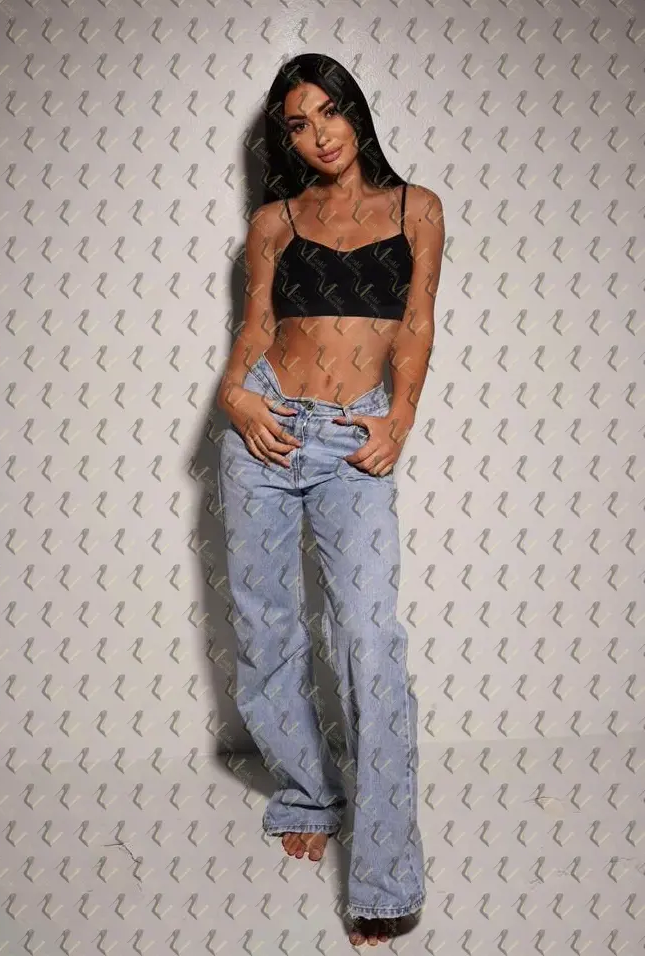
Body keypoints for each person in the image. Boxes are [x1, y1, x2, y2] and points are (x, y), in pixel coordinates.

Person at [217, 53, 444, 946]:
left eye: (330, 111)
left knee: (369, 641)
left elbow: (417, 323)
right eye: (299, 124)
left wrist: (401, 417)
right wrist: (236, 396)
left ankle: (385, 881)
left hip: (354, 439)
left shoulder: (416, 208)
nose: (320, 135)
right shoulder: (273, 221)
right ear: (286, 139)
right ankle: (310, 791)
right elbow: (256, 329)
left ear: (356, 109)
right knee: (266, 628)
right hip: (265, 428)